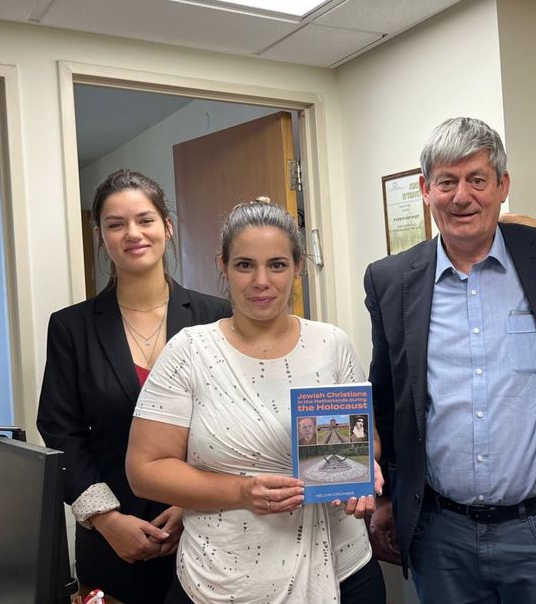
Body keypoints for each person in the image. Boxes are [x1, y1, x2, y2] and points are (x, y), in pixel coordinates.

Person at [364, 117, 536, 603]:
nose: (461, 196)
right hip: (441, 537)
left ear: (502, 186)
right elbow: (386, 399)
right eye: (446, 182)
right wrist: (385, 497)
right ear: (426, 190)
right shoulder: (390, 281)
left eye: (477, 180)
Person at [125, 198, 385, 604]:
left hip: (341, 569)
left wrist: (364, 466)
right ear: (223, 266)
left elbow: (364, 443)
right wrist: (243, 492)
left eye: (277, 265)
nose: (261, 281)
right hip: (224, 578)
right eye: (245, 265)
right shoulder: (190, 351)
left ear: (298, 267)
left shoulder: (331, 344)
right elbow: (144, 470)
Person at [37, 169, 231, 603]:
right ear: (101, 236)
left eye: (144, 219)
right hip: (113, 547)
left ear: (166, 226)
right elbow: (60, 432)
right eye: (115, 224)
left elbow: (238, 423)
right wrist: (107, 521)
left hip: (209, 537)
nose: (132, 233)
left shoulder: (217, 316)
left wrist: (193, 504)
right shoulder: (72, 327)